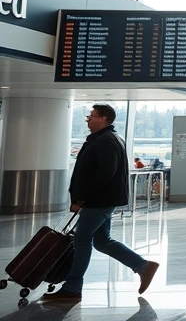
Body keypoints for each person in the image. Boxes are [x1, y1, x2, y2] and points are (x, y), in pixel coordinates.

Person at [43, 104, 160, 302]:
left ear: (103, 119)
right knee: (102, 241)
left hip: (99, 201)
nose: (88, 119)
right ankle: (142, 266)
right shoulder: (105, 139)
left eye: (91, 116)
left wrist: (82, 197)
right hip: (101, 200)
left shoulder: (105, 140)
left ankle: (72, 288)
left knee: (81, 240)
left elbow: (106, 173)